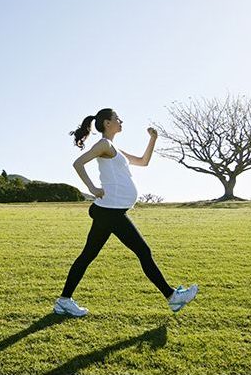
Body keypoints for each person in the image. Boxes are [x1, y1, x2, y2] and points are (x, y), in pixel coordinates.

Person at [53, 108, 198, 317]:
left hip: (110, 211)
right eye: (117, 118)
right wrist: (92, 188)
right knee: (143, 251)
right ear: (107, 124)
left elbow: (143, 161)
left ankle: (64, 301)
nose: (121, 121)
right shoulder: (103, 144)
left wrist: (153, 139)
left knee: (88, 255)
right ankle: (172, 297)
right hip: (111, 211)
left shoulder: (114, 148)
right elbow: (78, 163)